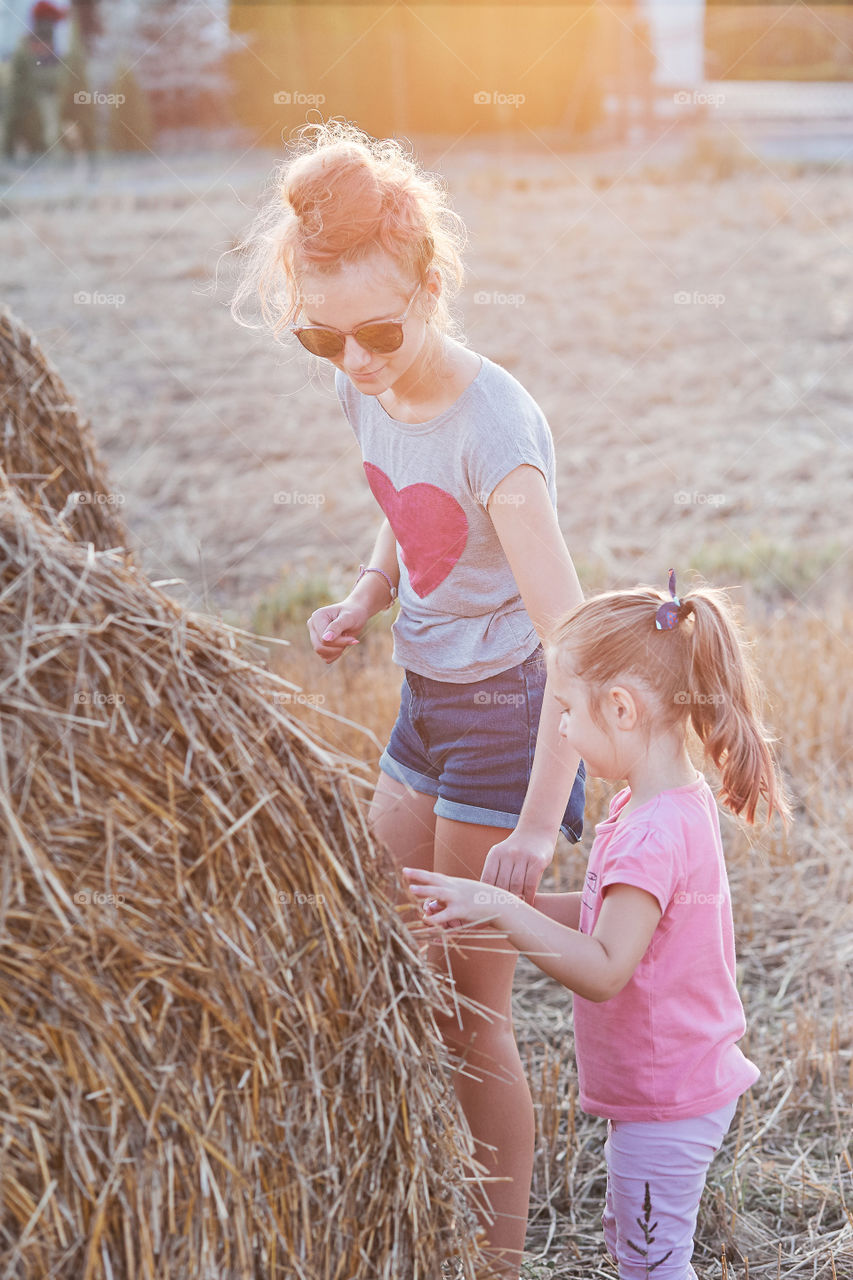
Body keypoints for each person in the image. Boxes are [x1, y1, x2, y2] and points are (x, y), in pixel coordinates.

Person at [228, 119, 586, 1280]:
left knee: (470, 1011)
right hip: (422, 705)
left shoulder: (501, 433)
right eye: (322, 338)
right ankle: (418, 1196)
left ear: (433, 286)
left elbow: (572, 647)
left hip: (505, 721)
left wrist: (539, 822)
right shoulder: (362, 377)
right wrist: (365, 593)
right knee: (390, 956)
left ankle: (494, 1258)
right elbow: (402, 501)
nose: (358, 360)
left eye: (381, 330)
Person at [404, 574, 791, 1279]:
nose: (558, 729)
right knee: (633, 1246)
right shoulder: (659, 806)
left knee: (650, 1264)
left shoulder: (649, 834)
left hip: (667, 1099)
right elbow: (602, 923)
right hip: (663, 1090)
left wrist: (505, 910)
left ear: (619, 708)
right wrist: (485, 904)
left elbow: (606, 966)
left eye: (564, 711)